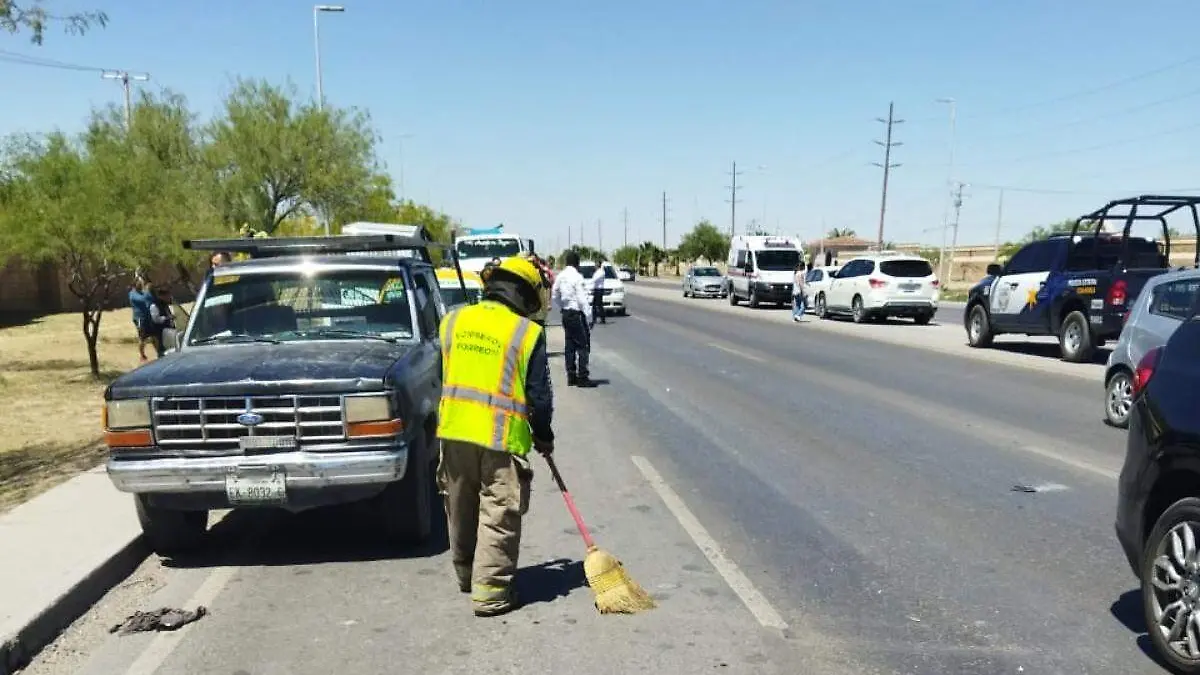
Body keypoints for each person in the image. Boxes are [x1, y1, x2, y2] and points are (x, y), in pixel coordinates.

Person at [435, 256, 555, 618]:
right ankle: (491, 593)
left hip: (454, 433)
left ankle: (467, 574)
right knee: (498, 513)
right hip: (500, 441)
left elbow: (448, 374)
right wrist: (544, 436)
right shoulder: (526, 333)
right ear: (523, 294)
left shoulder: (452, 321)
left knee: (460, 506)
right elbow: (540, 397)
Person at [550, 251, 595, 387]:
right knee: (583, 346)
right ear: (577, 263)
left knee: (569, 345)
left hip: (566, 314)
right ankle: (582, 377)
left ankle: (571, 376)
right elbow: (581, 299)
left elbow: (554, 294)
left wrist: (562, 307)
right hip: (576, 314)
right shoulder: (577, 277)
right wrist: (589, 316)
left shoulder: (561, 276)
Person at [146, 284, 177, 358]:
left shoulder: (164, 304)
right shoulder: (154, 305)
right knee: (162, 349)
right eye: (167, 296)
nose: (169, 297)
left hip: (168, 330)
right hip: (160, 331)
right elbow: (156, 319)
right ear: (162, 296)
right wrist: (167, 318)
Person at [128, 277, 153, 362]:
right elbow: (143, 299)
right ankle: (142, 355)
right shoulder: (132, 294)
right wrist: (147, 290)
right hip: (139, 318)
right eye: (139, 283)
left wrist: (147, 292)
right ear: (135, 284)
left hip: (147, 317)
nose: (141, 284)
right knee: (142, 338)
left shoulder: (142, 292)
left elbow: (150, 299)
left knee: (154, 335)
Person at [589, 262, 607, 327]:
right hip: (596, 290)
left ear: (598, 265)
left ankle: (602, 319)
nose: (594, 266)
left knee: (599, 305)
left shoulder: (601, 272)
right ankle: (594, 319)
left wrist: (586, 283)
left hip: (599, 290)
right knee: (595, 305)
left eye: (595, 265)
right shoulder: (597, 272)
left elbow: (594, 279)